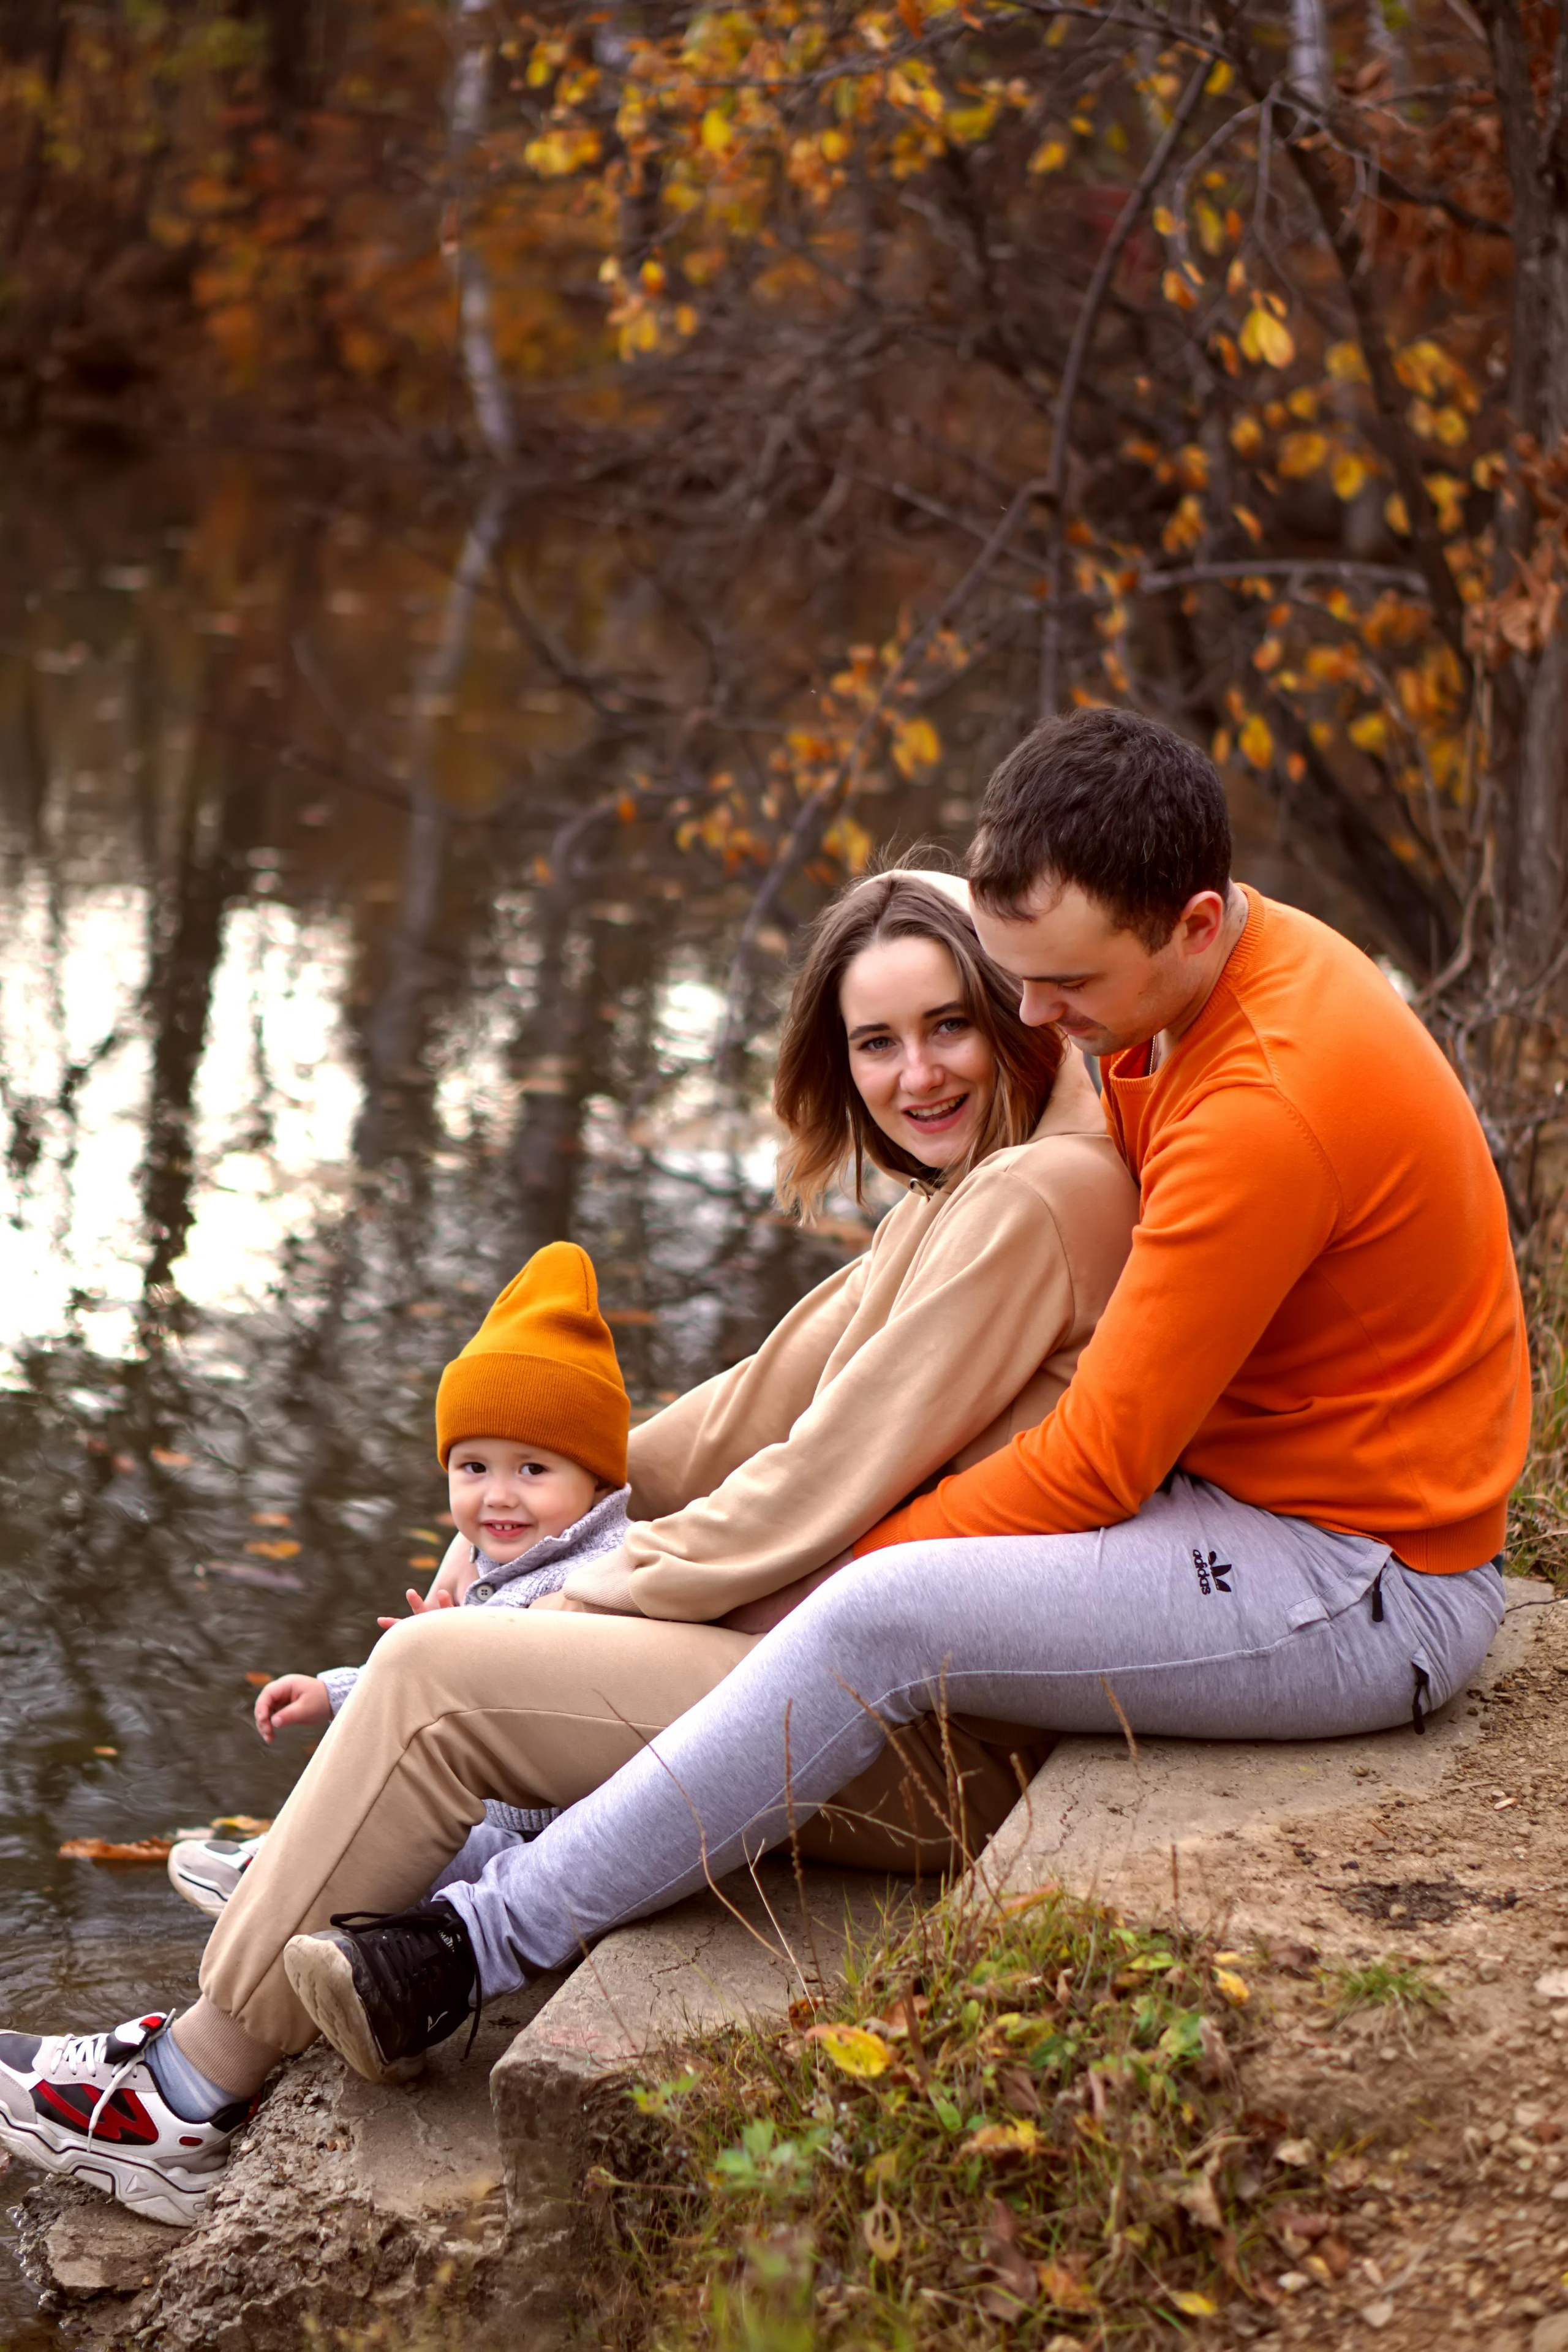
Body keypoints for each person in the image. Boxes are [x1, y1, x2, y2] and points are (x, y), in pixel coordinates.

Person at [0, 869, 1137, 2224]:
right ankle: (329, 1874)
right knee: (464, 1637)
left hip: (932, 1744)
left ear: (1017, 1010)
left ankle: (180, 2099)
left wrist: (566, 1589)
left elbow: (813, 1489)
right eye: (873, 1041)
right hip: (868, 1692)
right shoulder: (964, 1199)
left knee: (437, 1682)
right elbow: (752, 1407)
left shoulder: (1037, 1202)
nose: (913, 1075)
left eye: (946, 1026)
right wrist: (533, 1511)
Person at [167, 1241, 633, 1920]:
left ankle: (296, 1890)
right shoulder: (504, 1552)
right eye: (474, 1468)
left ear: (594, 1479)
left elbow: (542, 1688)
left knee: (424, 1840)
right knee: (373, 1774)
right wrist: (335, 1691)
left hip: (547, 1823)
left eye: (532, 1470)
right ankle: (288, 1861)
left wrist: (449, 1652)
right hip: (488, 1794)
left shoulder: (600, 1569)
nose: (498, 1495)